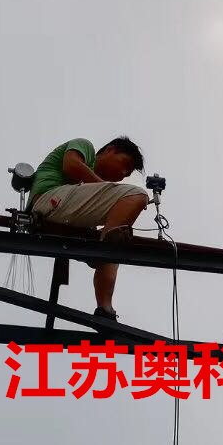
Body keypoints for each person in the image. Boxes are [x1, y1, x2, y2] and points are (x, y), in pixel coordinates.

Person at [29, 135, 149, 320]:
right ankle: (105, 247)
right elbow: (70, 165)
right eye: (125, 164)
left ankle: (105, 309)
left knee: (114, 241)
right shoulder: (85, 147)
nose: (123, 174)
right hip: (49, 200)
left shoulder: (88, 192)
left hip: (62, 215)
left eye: (127, 174)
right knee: (137, 195)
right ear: (110, 150)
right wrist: (107, 187)